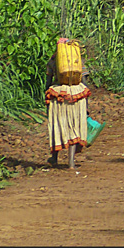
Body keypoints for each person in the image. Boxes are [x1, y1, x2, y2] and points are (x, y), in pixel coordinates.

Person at [44, 42, 92, 170]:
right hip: (77, 95)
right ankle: (71, 162)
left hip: (59, 94)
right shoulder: (78, 60)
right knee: (74, 127)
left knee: (58, 126)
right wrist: (86, 104)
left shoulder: (53, 60)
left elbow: (48, 82)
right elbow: (84, 81)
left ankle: (54, 158)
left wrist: (47, 99)